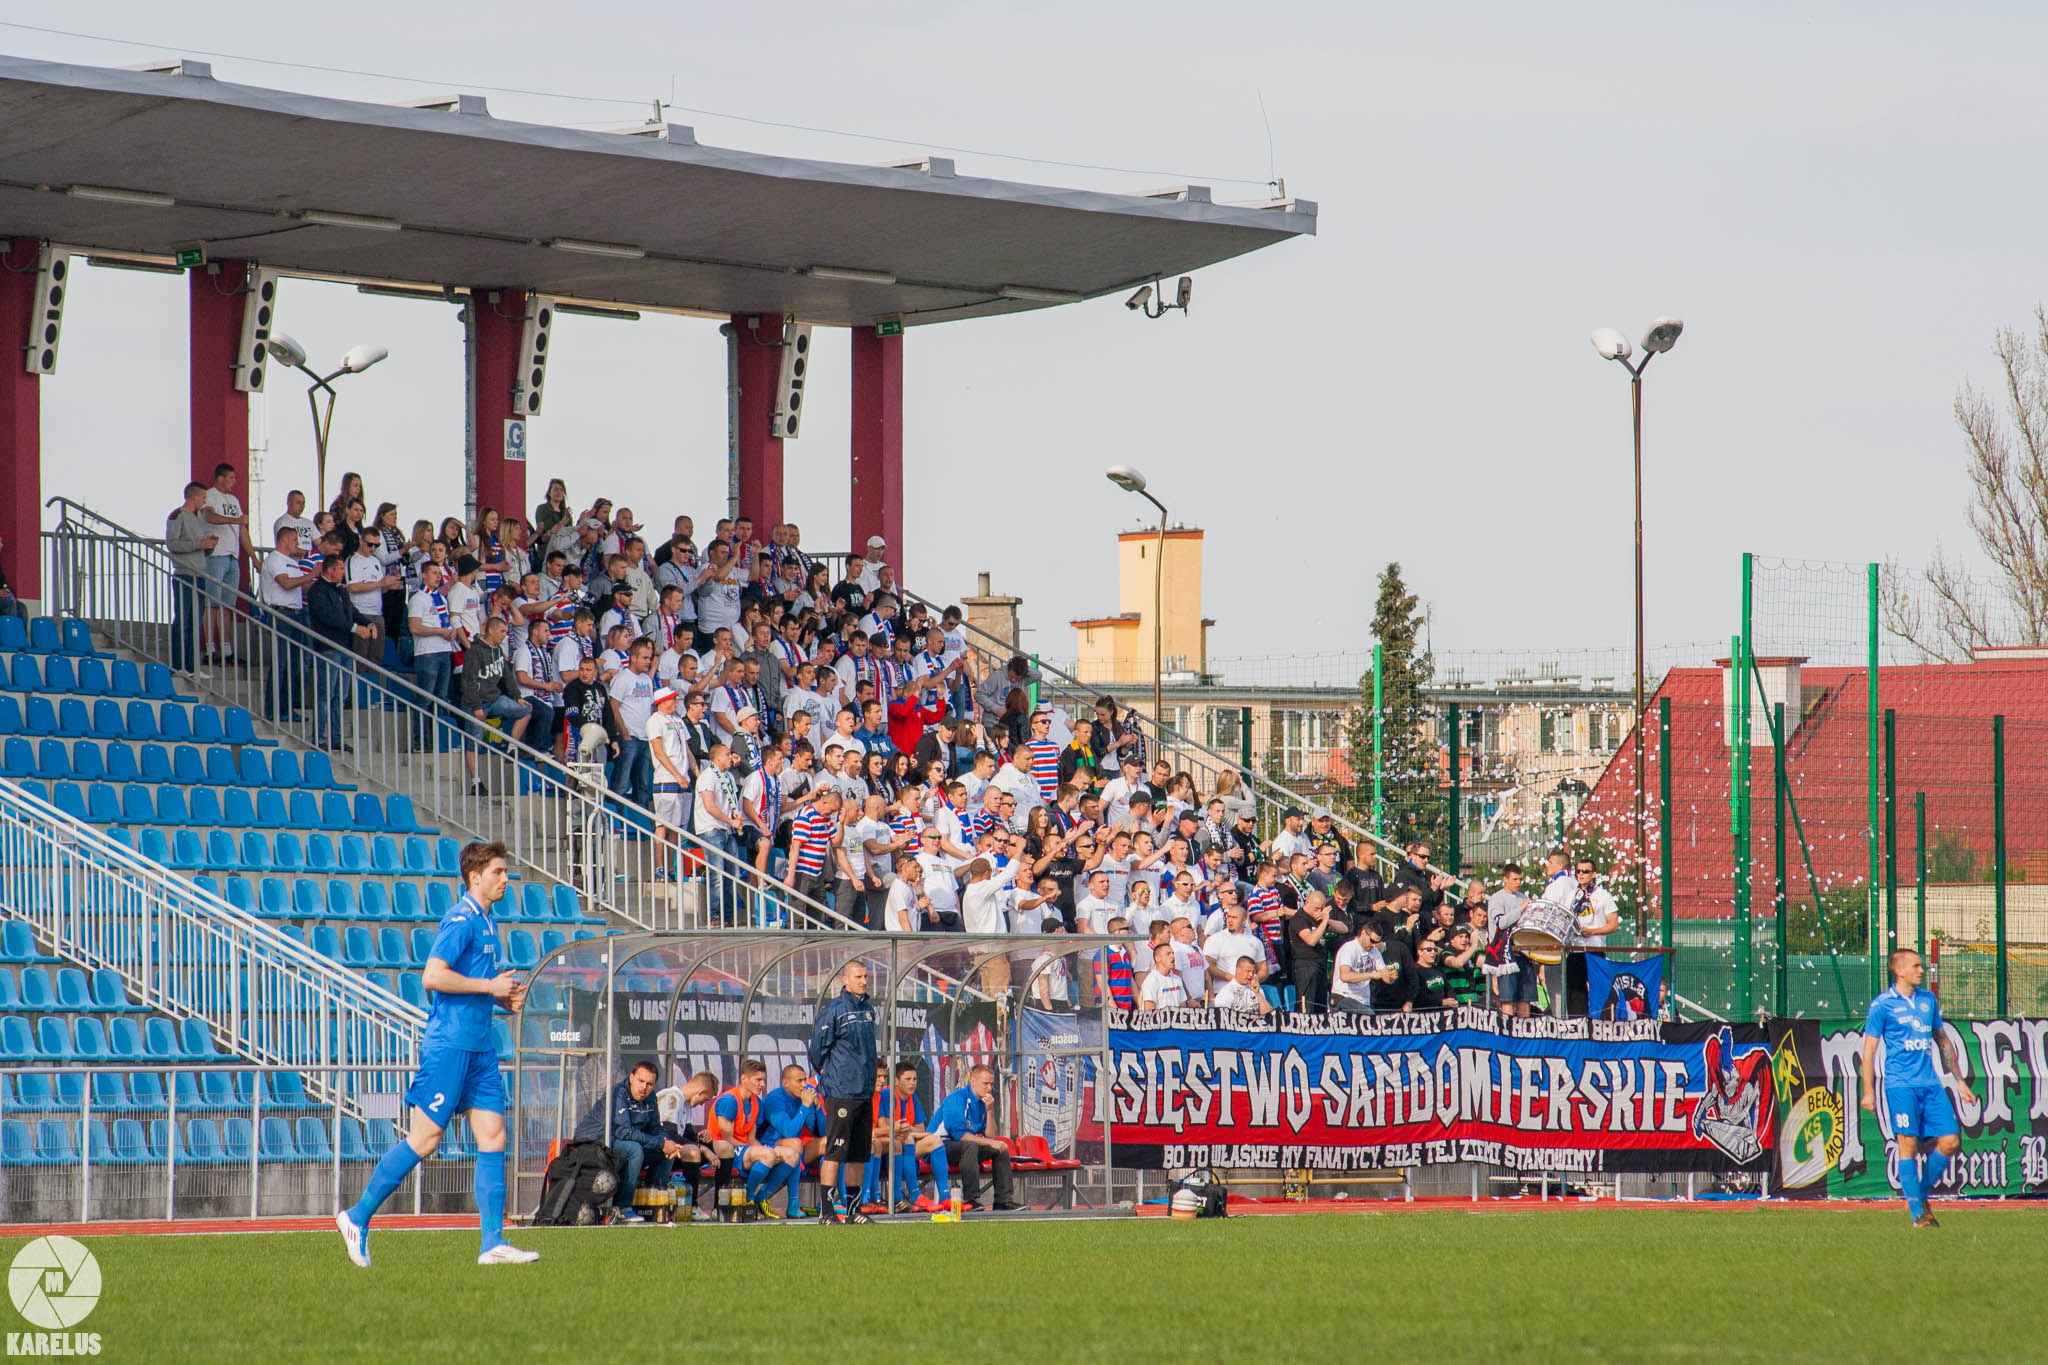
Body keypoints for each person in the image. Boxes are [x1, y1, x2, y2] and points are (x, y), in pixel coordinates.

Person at [337, 840, 537, 1266]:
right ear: (475, 877)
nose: (506, 879)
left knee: (494, 1137)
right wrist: (490, 986)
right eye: (498, 872)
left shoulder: (488, 921)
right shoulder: (460, 919)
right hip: (449, 1047)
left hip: (480, 1048)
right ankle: (357, 1216)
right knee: (426, 1139)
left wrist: (499, 999)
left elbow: (468, 984)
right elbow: (432, 976)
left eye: (506, 871)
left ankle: (492, 1244)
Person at [1861, 948, 1977, 1228]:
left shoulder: (1927, 1000)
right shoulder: (1882, 1005)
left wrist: (1959, 1080)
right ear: (1899, 971)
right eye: (1915, 966)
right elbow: (1869, 1051)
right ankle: (1918, 1215)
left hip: (1931, 1084)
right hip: (1901, 1086)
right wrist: (1868, 1091)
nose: (1921, 970)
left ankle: (1920, 1195)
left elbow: (1942, 1040)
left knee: (1950, 1141)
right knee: (1908, 1145)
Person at [808, 960, 880, 1224]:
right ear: (845, 980)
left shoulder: (869, 1010)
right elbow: (817, 1051)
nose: (863, 981)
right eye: (858, 976)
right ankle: (827, 1212)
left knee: (858, 1155)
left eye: (865, 976)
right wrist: (831, 1076)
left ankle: (853, 1211)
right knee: (835, 1152)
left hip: (864, 1092)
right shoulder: (833, 1011)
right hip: (841, 1092)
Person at [573, 1060, 690, 1221]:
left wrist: (667, 1143)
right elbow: (624, 1132)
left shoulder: (650, 1098)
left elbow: (656, 1128)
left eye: (649, 1084)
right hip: (594, 1143)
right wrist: (661, 1143)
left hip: (618, 1143)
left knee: (666, 1153)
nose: (644, 1087)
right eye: (640, 1081)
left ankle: (652, 1205)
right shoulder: (618, 1093)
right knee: (634, 1150)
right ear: (631, 1078)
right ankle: (622, 1208)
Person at [707, 1059, 799, 1219]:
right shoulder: (729, 1100)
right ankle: (747, 1199)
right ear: (744, 1079)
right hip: (722, 1153)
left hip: (744, 1150)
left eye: (763, 1080)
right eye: (758, 1080)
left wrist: (761, 1149)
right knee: (768, 1154)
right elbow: (728, 1140)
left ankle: (760, 1198)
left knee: (792, 1155)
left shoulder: (757, 1102)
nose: (762, 1084)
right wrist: (762, 1151)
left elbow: (751, 1138)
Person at [305, 555, 377, 751]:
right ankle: (318, 737)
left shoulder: (341, 590)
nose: (344, 573)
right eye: (341, 569)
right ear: (330, 570)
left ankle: (336, 738)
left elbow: (352, 612)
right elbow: (329, 617)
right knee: (325, 695)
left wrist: (367, 623)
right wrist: (355, 628)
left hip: (345, 648)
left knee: (340, 696)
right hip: (329, 648)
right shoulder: (317, 591)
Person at [934, 1064, 1022, 1212]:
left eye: (991, 1084)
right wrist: (990, 1142)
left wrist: (990, 1110)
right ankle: (971, 1199)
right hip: (939, 1147)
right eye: (985, 1083)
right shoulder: (957, 1098)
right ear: (972, 1081)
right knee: (971, 1145)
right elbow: (960, 1135)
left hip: (964, 1149)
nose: (989, 1088)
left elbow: (990, 1135)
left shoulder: (983, 1103)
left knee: (1000, 1149)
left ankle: (1003, 1201)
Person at [876, 1062, 953, 1213]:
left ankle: (945, 1197)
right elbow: (885, 1127)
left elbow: (920, 1129)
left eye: (915, 1079)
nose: (912, 1083)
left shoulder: (912, 1098)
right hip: (888, 1149)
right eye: (908, 1079)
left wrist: (909, 1130)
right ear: (896, 1081)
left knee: (935, 1141)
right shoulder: (886, 1095)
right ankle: (915, 1194)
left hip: (905, 1144)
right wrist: (909, 1132)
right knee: (907, 1139)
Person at [165, 481, 218, 674]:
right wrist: (198, 544)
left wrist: (209, 546)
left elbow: (199, 547)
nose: (204, 501)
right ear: (193, 497)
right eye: (203, 497)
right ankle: (178, 665)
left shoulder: (197, 520)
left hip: (199, 574)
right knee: (183, 621)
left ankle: (192, 666)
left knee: (196, 623)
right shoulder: (177, 516)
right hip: (185, 574)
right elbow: (172, 544)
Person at [1486, 861, 1537, 1018]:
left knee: (1525, 997)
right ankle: (1508, 1028)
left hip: (1524, 952)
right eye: (1514, 879)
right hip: (1505, 954)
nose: (1518, 883)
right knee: (1507, 997)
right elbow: (1501, 923)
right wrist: (1521, 909)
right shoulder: (1497, 898)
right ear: (1505, 879)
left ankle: (1524, 1028)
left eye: (1520, 879)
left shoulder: (1523, 897)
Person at [1138, 942, 1189, 1010]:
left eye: (1173, 953)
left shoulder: (1177, 979)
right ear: (1157, 958)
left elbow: (1183, 1006)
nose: (1172, 956)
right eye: (1168, 954)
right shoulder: (1151, 981)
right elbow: (1149, 1012)